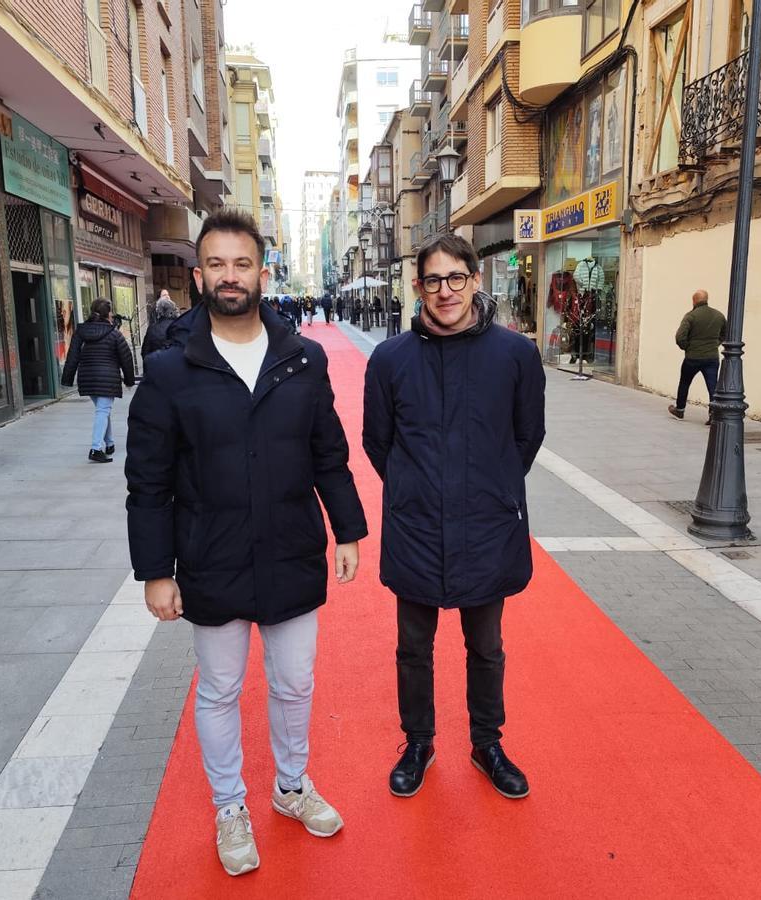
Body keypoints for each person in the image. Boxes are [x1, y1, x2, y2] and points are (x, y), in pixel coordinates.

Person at [126, 208, 368, 877]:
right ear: (199, 273)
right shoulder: (171, 370)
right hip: (211, 552)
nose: (229, 277)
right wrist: (156, 570)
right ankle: (229, 806)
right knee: (221, 689)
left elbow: (329, 453)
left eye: (241, 264)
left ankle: (291, 788)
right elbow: (147, 481)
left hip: (291, 546)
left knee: (294, 685)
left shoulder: (303, 359)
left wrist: (347, 527)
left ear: (263, 272)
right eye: (216, 265)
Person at [363, 233, 546, 801]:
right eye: (433, 280)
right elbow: (378, 443)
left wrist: (490, 488)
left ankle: (487, 742)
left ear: (475, 280)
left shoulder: (514, 354)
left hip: (487, 526)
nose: (445, 291)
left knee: (486, 645)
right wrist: (416, 489)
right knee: (412, 646)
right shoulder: (390, 359)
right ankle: (418, 742)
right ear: (418, 286)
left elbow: (527, 435)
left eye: (456, 278)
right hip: (415, 526)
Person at [61, 298, 136, 463]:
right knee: (103, 411)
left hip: (87, 378)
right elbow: (126, 358)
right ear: (108, 314)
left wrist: (67, 378)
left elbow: (72, 355)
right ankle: (95, 449)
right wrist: (129, 381)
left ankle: (109, 443)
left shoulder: (81, 331)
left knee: (103, 409)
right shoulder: (114, 333)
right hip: (107, 378)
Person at [668, 289, 726, 423]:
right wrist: (716, 344)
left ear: (694, 301)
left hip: (692, 358)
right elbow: (725, 333)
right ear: (707, 299)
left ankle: (680, 409)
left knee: (684, 383)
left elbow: (680, 337)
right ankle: (714, 414)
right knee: (712, 386)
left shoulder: (691, 316)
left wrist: (687, 347)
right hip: (712, 357)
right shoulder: (719, 315)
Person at [142, 296, 180, 361]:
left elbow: (145, 352)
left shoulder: (152, 329)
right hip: (176, 365)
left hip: (156, 365)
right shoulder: (179, 325)